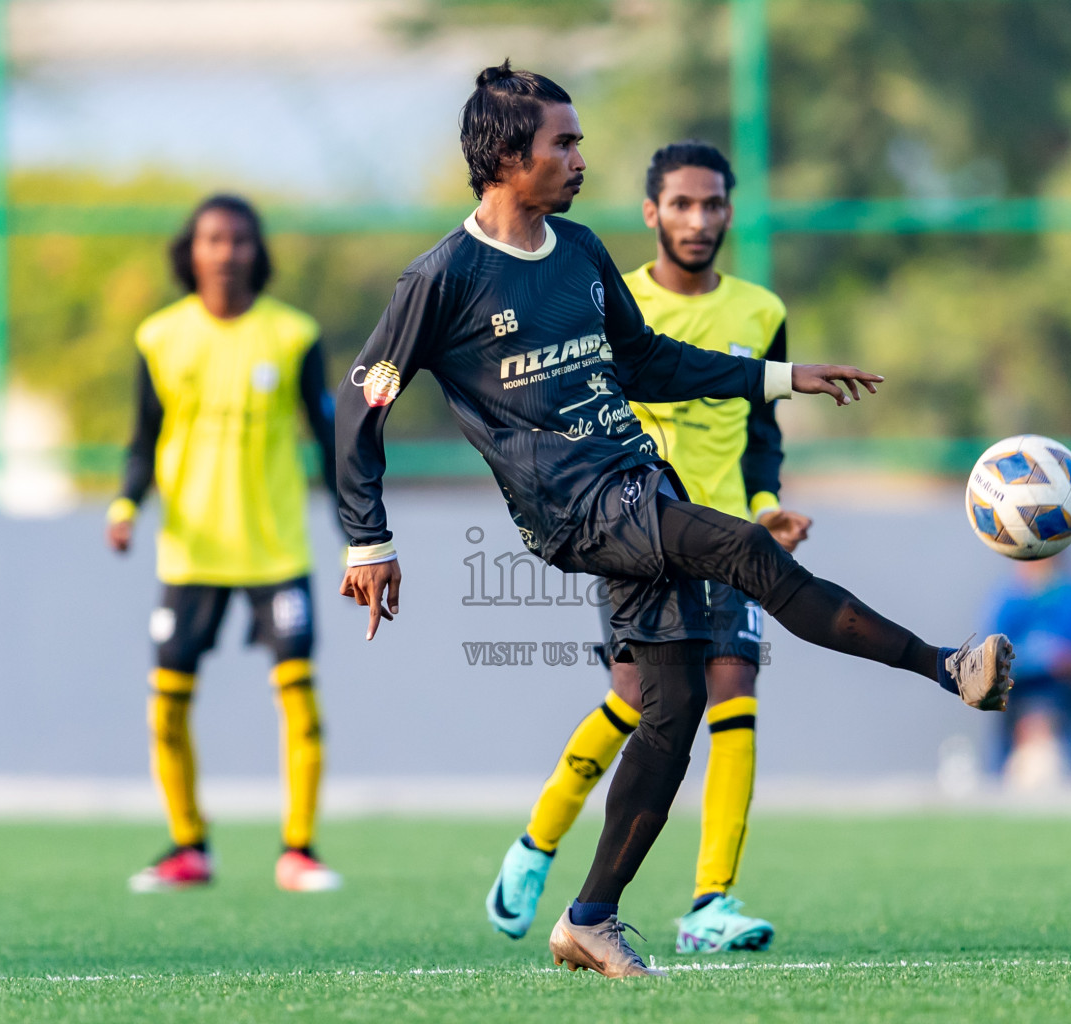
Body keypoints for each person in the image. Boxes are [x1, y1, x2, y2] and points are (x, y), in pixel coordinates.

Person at [336, 62, 1014, 979]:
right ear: (505, 155)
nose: (579, 156)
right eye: (562, 142)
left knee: (675, 711)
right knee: (738, 544)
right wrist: (369, 539)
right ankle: (945, 665)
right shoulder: (443, 278)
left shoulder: (576, 252)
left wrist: (780, 376)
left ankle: (589, 918)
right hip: (576, 510)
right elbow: (360, 409)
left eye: (578, 140)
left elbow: (649, 363)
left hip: (633, 484)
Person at [486, 140, 810, 955]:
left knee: (734, 691)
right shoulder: (607, 298)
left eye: (713, 205)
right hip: (639, 527)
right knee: (636, 701)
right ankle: (537, 842)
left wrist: (768, 506)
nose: (699, 220)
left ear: (731, 212)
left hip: (730, 532)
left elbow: (761, 433)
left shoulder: (761, 311)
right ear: (651, 213)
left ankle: (711, 904)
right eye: (682, 205)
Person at [107, 194, 344, 894]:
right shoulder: (160, 337)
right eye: (213, 239)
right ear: (192, 250)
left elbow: (328, 441)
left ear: (256, 251)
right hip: (191, 552)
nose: (227, 251)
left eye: (240, 240)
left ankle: (298, 850)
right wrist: (125, 505)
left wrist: (362, 535)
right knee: (168, 700)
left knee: (299, 695)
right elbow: (142, 440)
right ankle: (188, 847)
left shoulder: (293, 334)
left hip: (275, 550)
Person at [984, 557, 1071, 789]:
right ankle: (1029, 766)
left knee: (1046, 710)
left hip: (1066, 691)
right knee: (1029, 710)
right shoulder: (1007, 601)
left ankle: (1049, 765)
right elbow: (988, 662)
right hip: (1018, 692)